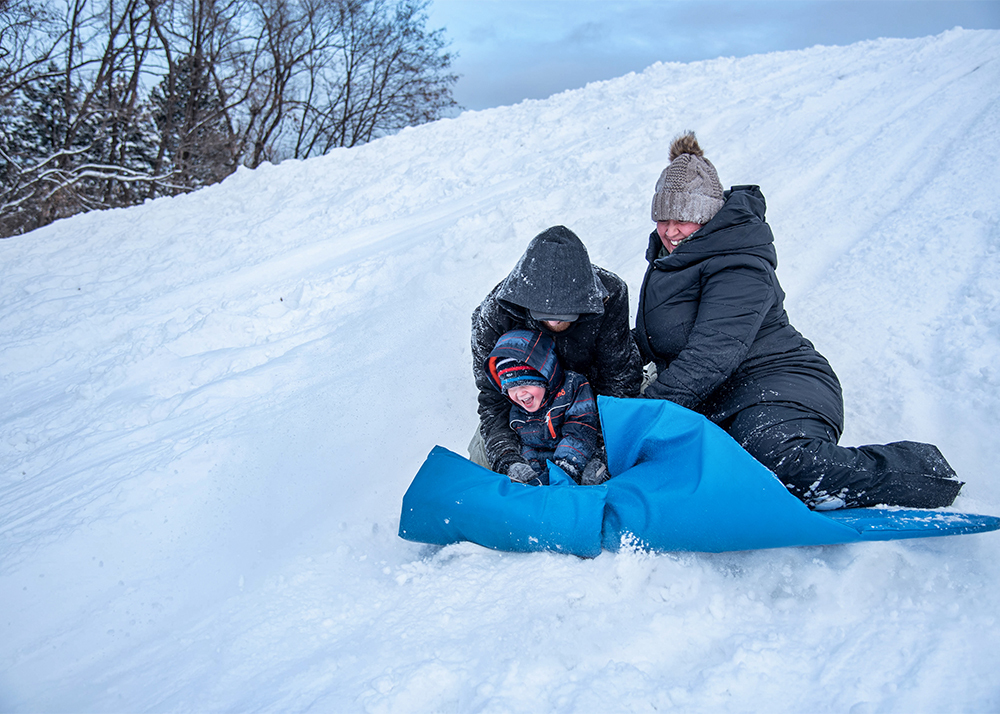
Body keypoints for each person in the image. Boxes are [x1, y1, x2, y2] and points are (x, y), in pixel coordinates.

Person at [633, 132, 963, 510]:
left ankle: (924, 472)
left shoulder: (740, 263)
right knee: (721, 468)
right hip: (722, 392)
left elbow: (712, 354)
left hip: (780, 383)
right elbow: (657, 337)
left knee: (778, 464)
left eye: (684, 219)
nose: (671, 231)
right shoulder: (672, 256)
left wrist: (648, 410)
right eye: (663, 218)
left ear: (707, 216)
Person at [471, 225, 642, 481]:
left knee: (627, 461)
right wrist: (506, 456)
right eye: (544, 317)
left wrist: (600, 450)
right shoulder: (494, 315)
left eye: (566, 316)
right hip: (524, 410)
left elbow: (619, 380)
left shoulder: (610, 294)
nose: (554, 324)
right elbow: (492, 401)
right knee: (482, 465)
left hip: (591, 399)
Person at [485, 329, 603, 485]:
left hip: (578, 458)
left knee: (593, 480)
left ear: (545, 376)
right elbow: (527, 444)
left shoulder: (572, 388)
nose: (520, 394)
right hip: (546, 473)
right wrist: (530, 473)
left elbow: (580, 428)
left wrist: (563, 469)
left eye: (526, 383)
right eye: (511, 389)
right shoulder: (517, 413)